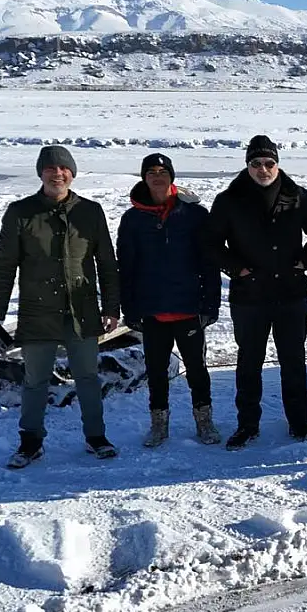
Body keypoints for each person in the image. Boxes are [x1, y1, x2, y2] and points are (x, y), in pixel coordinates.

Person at [0, 145, 121, 469]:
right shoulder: (21, 213)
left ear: (72, 173)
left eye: (63, 169)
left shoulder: (91, 212)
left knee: (87, 376)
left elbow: (107, 263)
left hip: (81, 311)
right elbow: (5, 266)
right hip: (38, 312)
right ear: (41, 173)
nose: (57, 174)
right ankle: (30, 442)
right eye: (50, 169)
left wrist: (111, 307)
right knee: (35, 380)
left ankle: (96, 437)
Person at [205, 135, 307, 449]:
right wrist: (237, 269)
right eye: (256, 163)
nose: (263, 169)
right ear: (248, 165)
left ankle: (299, 424)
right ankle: (247, 425)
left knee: (293, 362)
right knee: (249, 363)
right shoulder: (229, 199)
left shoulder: (296, 195)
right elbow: (209, 243)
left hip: (290, 294)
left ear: (277, 164)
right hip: (249, 298)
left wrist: (304, 260)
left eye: (269, 163)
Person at [117, 152, 222, 448]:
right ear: (144, 178)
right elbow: (126, 267)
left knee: (197, 369)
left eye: (163, 171)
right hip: (152, 311)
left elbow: (209, 263)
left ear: (172, 176)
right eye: (151, 171)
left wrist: (210, 303)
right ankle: (158, 424)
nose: (157, 176)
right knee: (157, 372)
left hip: (188, 308)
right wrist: (130, 308)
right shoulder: (133, 218)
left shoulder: (194, 214)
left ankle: (204, 420)